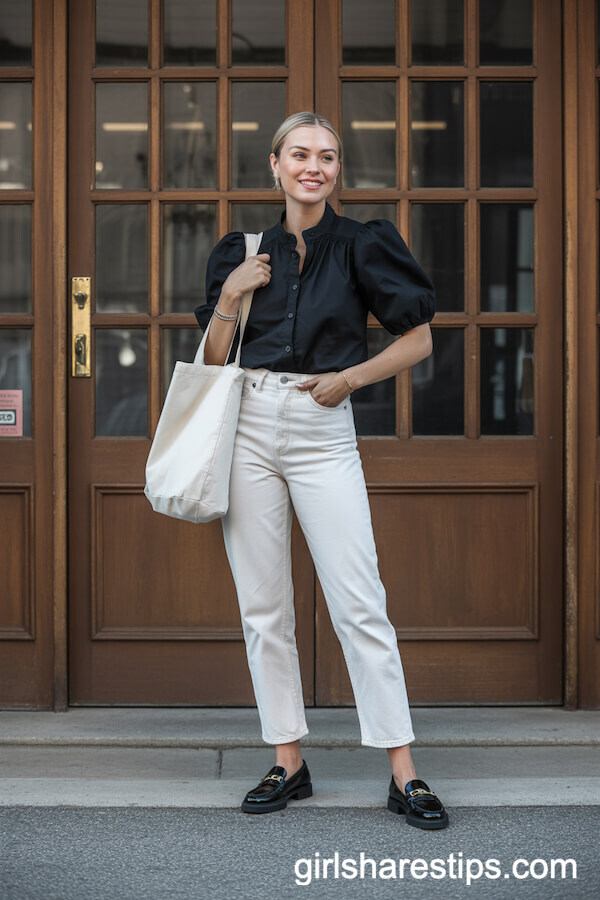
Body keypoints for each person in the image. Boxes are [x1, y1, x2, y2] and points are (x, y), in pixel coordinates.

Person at [194, 111, 449, 830]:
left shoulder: (364, 245)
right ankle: (289, 760)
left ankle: (405, 772)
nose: (314, 166)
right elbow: (213, 363)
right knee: (263, 606)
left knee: (359, 598)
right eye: (300, 154)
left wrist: (352, 378)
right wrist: (229, 297)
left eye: (328, 156)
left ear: (337, 170)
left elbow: (420, 339)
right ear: (273, 165)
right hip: (247, 422)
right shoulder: (239, 251)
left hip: (320, 423)